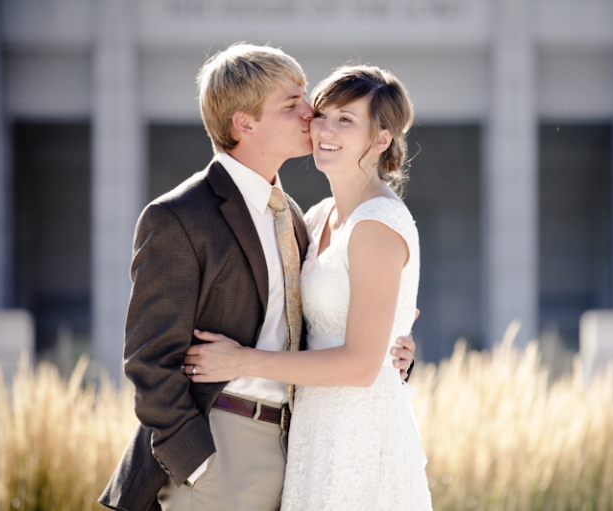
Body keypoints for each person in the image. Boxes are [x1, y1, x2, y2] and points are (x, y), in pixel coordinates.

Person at [99, 44, 416, 511]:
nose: (310, 114)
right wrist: (198, 465)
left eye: (306, 99)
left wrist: (394, 350)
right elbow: (148, 361)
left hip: (302, 447)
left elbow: (336, 324)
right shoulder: (179, 216)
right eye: (292, 104)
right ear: (244, 123)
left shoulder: (296, 217)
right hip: (221, 450)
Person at [184, 65, 432, 509]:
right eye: (322, 115)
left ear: (381, 139)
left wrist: (241, 360)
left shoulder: (377, 225)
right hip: (313, 429)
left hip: (360, 434)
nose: (325, 130)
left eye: (346, 120)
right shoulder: (315, 217)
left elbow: (361, 367)